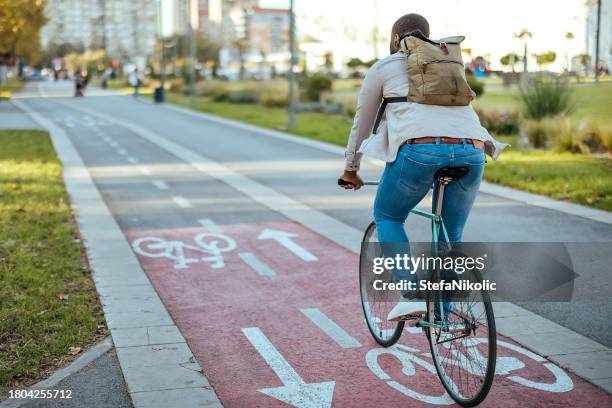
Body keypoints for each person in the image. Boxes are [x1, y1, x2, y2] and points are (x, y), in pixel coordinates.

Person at [338, 13, 506, 323]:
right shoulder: (446, 62)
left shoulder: (384, 67)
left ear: (395, 40)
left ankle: (412, 296)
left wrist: (351, 169)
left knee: (387, 215)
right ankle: (441, 315)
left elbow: (362, 124)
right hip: (473, 151)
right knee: (450, 232)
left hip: (420, 151)